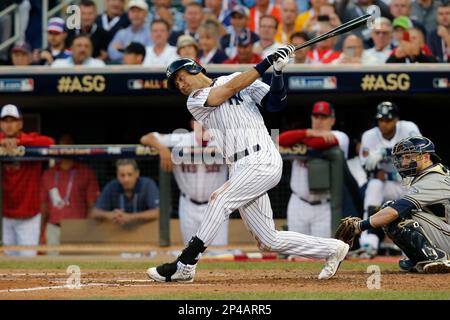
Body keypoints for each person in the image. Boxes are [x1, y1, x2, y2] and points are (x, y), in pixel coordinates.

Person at [146, 47, 349, 283]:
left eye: (181, 77)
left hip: (261, 158)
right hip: (240, 167)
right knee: (268, 240)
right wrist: (265, 63)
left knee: (219, 199)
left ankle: (185, 264)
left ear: (195, 68)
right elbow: (229, 90)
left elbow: (275, 104)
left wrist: (278, 73)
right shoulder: (195, 100)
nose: (180, 85)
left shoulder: (237, 77)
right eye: (176, 84)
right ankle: (333, 249)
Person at [338, 136, 450, 273]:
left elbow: (394, 211)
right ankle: (420, 257)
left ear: (426, 157)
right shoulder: (432, 173)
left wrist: (360, 226)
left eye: (409, 157)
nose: (404, 162)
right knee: (397, 211)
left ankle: (436, 258)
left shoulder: (434, 179)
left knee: (393, 212)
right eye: (402, 157)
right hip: (446, 230)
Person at [140, 119, 229, 246]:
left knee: (219, 253)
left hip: (216, 204)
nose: (204, 125)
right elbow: (146, 138)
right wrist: (162, 149)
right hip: (188, 205)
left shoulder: (224, 140)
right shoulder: (181, 139)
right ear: (193, 124)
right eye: (200, 121)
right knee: (190, 253)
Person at [278, 101, 349, 238]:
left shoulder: (340, 136)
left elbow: (321, 143)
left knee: (323, 252)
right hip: (298, 202)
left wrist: (299, 143)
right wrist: (309, 132)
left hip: (324, 206)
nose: (319, 120)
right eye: (316, 116)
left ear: (332, 120)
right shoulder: (305, 134)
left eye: (324, 117)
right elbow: (279, 139)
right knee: (296, 252)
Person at [359, 101, 421, 256]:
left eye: (388, 120)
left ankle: (414, 246)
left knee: (416, 204)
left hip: (408, 183)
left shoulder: (408, 128)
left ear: (396, 120)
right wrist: (386, 172)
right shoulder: (369, 135)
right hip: (386, 184)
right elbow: (368, 168)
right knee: (373, 185)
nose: (384, 124)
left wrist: (386, 152)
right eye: (381, 120)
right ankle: (369, 243)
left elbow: (418, 156)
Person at [0, 104, 54, 256]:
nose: (8, 124)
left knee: (27, 263)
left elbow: (49, 142)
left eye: (13, 120)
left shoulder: (31, 140)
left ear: (20, 123)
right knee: (5, 268)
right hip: (4, 217)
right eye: (5, 120)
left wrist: (19, 143)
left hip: (29, 217)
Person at [40, 134, 100, 250]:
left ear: (75, 148)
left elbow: (92, 205)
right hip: (53, 227)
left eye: (69, 145)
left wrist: (87, 230)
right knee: (52, 265)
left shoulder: (86, 172)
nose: (65, 149)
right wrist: (41, 231)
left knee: (76, 265)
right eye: (62, 146)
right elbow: (43, 206)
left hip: (77, 228)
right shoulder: (48, 174)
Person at [90, 159, 160, 225]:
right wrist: (109, 215)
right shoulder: (112, 186)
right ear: (117, 175)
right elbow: (94, 213)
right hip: (118, 233)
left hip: (145, 231)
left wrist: (131, 217)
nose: (126, 179)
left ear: (137, 174)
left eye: (130, 175)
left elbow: (158, 212)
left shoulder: (147, 185)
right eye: (122, 175)